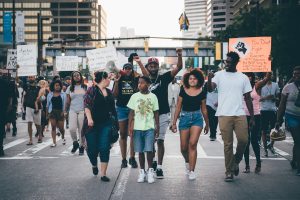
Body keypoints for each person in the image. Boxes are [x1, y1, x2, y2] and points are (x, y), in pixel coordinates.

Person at [207, 51, 254, 182]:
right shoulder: (219, 75)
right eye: (225, 61)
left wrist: (252, 117)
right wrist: (209, 78)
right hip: (224, 114)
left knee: (244, 140)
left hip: (240, 114)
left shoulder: (243, 77)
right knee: (227, 144)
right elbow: (210, 89)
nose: (226, 63)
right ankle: (229, 172)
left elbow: (248, 98)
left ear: (236, 63)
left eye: (229, 61)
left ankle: (235, 162)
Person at [146, 48, 183, 178]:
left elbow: (179, 67)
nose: (153, 67)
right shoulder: (143, 80)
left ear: (158, 67)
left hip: (162, 114)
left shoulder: (164, 77)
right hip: (147, 115)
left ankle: (160, 167)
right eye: (151, 65)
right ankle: (153, 162)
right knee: (150, 143)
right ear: (147, 67)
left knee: (160, 141)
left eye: (155, 65)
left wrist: (179, 55)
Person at [171, 69, 209, 180]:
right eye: (190, 78)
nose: (192, 80)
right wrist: (174, 123)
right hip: (184, 118)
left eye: (195, 78)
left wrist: (207, 124)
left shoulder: (202, 92)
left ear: (199, 80)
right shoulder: (183, 90)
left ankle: (192, 170)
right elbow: (178, 107)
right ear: (187, 80)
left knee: (192, 144)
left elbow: (204, 109)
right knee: (183, 148)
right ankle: (187, 162)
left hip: (197, 118)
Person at [113, 58, 149, 168]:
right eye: (126, 68)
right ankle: (123, 159)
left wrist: (138, 65)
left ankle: (132, 158)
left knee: (132, 134)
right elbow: (114, 95)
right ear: (123, 69)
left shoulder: (136, 78)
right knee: (123, 134)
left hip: (133, 109)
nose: (127, 70)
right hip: (121, 108)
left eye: (129, 69)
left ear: (132, 70)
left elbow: (146, 75)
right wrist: (116, 81)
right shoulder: (119, 78)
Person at [83, 71, 117, 182]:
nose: (109, 80)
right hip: (92, 125)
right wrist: (90, 119)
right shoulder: (91, 90)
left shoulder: (109, 92)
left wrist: (116, 124)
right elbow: (87, 106)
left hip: (106, 124)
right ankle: (94, 164)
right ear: (103, 78)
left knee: (104, 148)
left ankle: (103, 174)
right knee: (92, 150)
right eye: (108, 78)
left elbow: (113, 110)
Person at [127, 76, 159, 183]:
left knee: (149, 150)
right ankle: (142, 171)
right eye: (139, 83)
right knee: (140, 151)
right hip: (137, 128)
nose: (139, 85)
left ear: (148, 84)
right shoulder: (134, 96)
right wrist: (129, 127)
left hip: (149, 128)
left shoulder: (153, 96)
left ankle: (150, 171)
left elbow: (156, 112)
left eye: (142, 83)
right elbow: (131, 113)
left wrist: (157, 126)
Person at [242, 72, 271, 173]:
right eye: (246, 76)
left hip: (256, 116)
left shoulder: (256, 86)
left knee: (254, 140)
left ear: (252, 77)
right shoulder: (240, 87)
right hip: (243, 116)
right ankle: (247, 166)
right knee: (246, 141)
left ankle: (258, 163)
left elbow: (266, 79)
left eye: (249, 76)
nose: (248, 78)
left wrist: (267, 70)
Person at [276, 66, 300, 176]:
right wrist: (278, 119)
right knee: (298, 140)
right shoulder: (288, 87)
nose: (296, 76)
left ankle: (295, 160)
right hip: (291, 116)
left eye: (298, 74)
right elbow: (281, 104)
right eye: (294, 74)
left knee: (298, 143)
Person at [66, 71, 87, 155]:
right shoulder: (70, 88)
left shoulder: (85, 87)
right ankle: (75, 143)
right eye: (74, 76)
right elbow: (68, 101)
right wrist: (65, 111)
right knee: (72, 128)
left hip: (83, 110)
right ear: (72, 78)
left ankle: (81, 146)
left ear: (80, 76)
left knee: (81, 130)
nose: (76, 77)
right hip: (72, 110)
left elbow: (88, 99)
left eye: (78, 75)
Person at [259, 72, 280, 156]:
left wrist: (274, 98)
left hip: (273, 110)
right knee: (264, 130)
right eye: (268, 75)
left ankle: (271, 145)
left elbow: (278, 98)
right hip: (263, 110)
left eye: (271, 75)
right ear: (265, 76)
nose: (270, 76)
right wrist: (266, 98)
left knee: (274, 129)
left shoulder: (275, 85)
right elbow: (258, 99)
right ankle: (265, 149)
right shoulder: (261, 85)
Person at [23, 76, 43, 145]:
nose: (30, 78)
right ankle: (30, 140)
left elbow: (41, 98)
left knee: (37, 124)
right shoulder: (26, 87)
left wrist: (39, 102)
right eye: (29, 77)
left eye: (32, 77)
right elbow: (24, 97)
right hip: (28, 107)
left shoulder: (38, 88)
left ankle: (40, 135)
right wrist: (23, 107)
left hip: (37, 108)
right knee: (29, 123)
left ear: (35, 78)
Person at [46, 79, 67, 147]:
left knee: (61, 128)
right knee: (53, 127)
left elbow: (65, 104)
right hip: (52, 112)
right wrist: (47, 114)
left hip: (60, 112)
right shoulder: (50, 94)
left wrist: (64, 112)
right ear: (53, 86)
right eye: (56, 85)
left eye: (59, 85)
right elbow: (47, 105)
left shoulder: (63, 94)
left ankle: (63, 137)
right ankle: (54, 142)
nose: (58, 87)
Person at [0, 75, 13, 156]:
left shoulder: (4, 83)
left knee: (1, 129)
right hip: (3, 109)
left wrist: (9, 106)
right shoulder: (5, 83)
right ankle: (0, 148)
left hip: (2, 109)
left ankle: (0, 148)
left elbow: (10, 97)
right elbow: (10, 98)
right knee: (1, 129)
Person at [204, 74, 218, 141]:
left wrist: (219, 102)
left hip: (218, 105)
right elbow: (204, 93)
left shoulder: (220, 83)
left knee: (215, 120)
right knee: (211, 120)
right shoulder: (207, 83)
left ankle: (214, 131)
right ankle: (213, 135)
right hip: (209, 104)